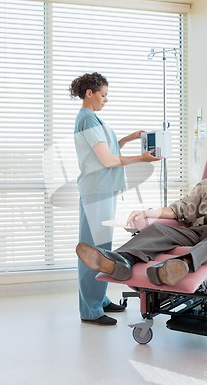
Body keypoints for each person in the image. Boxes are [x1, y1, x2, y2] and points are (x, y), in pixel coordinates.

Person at [75, 130, 207, 286]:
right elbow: (181, 208)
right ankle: (121, 261)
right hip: (199, 231)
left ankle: (182, 265)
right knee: (156, 229)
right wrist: (147, 213)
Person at [71, 72, 161, 326]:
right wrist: (142, 159)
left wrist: (130, 138)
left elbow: (109, 149)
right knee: (93, 250)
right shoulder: (87, 120)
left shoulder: (93, 119)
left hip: (104, 190)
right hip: (96, 191)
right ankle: (90, 309)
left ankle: (98, 298)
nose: (106, 100)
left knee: (103, 249)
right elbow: (108, 160)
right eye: (103, 95)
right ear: (90, 93)